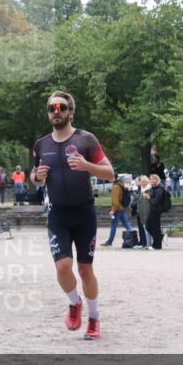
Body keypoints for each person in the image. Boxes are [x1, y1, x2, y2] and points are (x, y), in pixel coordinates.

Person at [30, 91, 115, 340]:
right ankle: (74, 302)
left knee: (86, 269)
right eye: (51, 108)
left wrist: (87, 166)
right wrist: (38, 177)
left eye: (61, 107)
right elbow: (34, 178)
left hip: (84, 212)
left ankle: (94, 318)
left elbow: (110, 173)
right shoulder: (41, 144)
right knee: (63, 266)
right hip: (58, 213)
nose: (56, 111)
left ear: (70, 112)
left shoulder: (86, 140)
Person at [101, 174, 134, 246]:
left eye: (110, 177)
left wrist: (113, 211)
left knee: (113, 225)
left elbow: (115, 201)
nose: (109, 179)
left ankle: (109, 241)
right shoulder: (120, 184)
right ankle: (133, 239)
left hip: (118, 209)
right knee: (127, 225)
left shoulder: (115, 186)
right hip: (122, 208)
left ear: (114, 178)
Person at [146, 173, 167, 250]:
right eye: (150, 179)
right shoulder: (153, 188)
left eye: (153, 179)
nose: (151, 180)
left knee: (155, 228)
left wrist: (148, 197)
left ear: (157, 180)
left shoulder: (159, 189)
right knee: (149, 226)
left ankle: (157, 245)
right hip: (152, 210)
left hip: (157, 210)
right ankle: (159, 238)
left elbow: (155, 201)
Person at [131, 175, 153, 249]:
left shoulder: (149, 189)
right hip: (141, 212)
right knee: (144, 229)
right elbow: (139, 202)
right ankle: (146, 244)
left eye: (145, 181)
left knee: (148, 229)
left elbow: (148, 202)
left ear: (148, 182)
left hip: (148, 212)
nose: (143, 183)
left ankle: (149, 244)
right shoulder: (141, 189)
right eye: (142, 181)